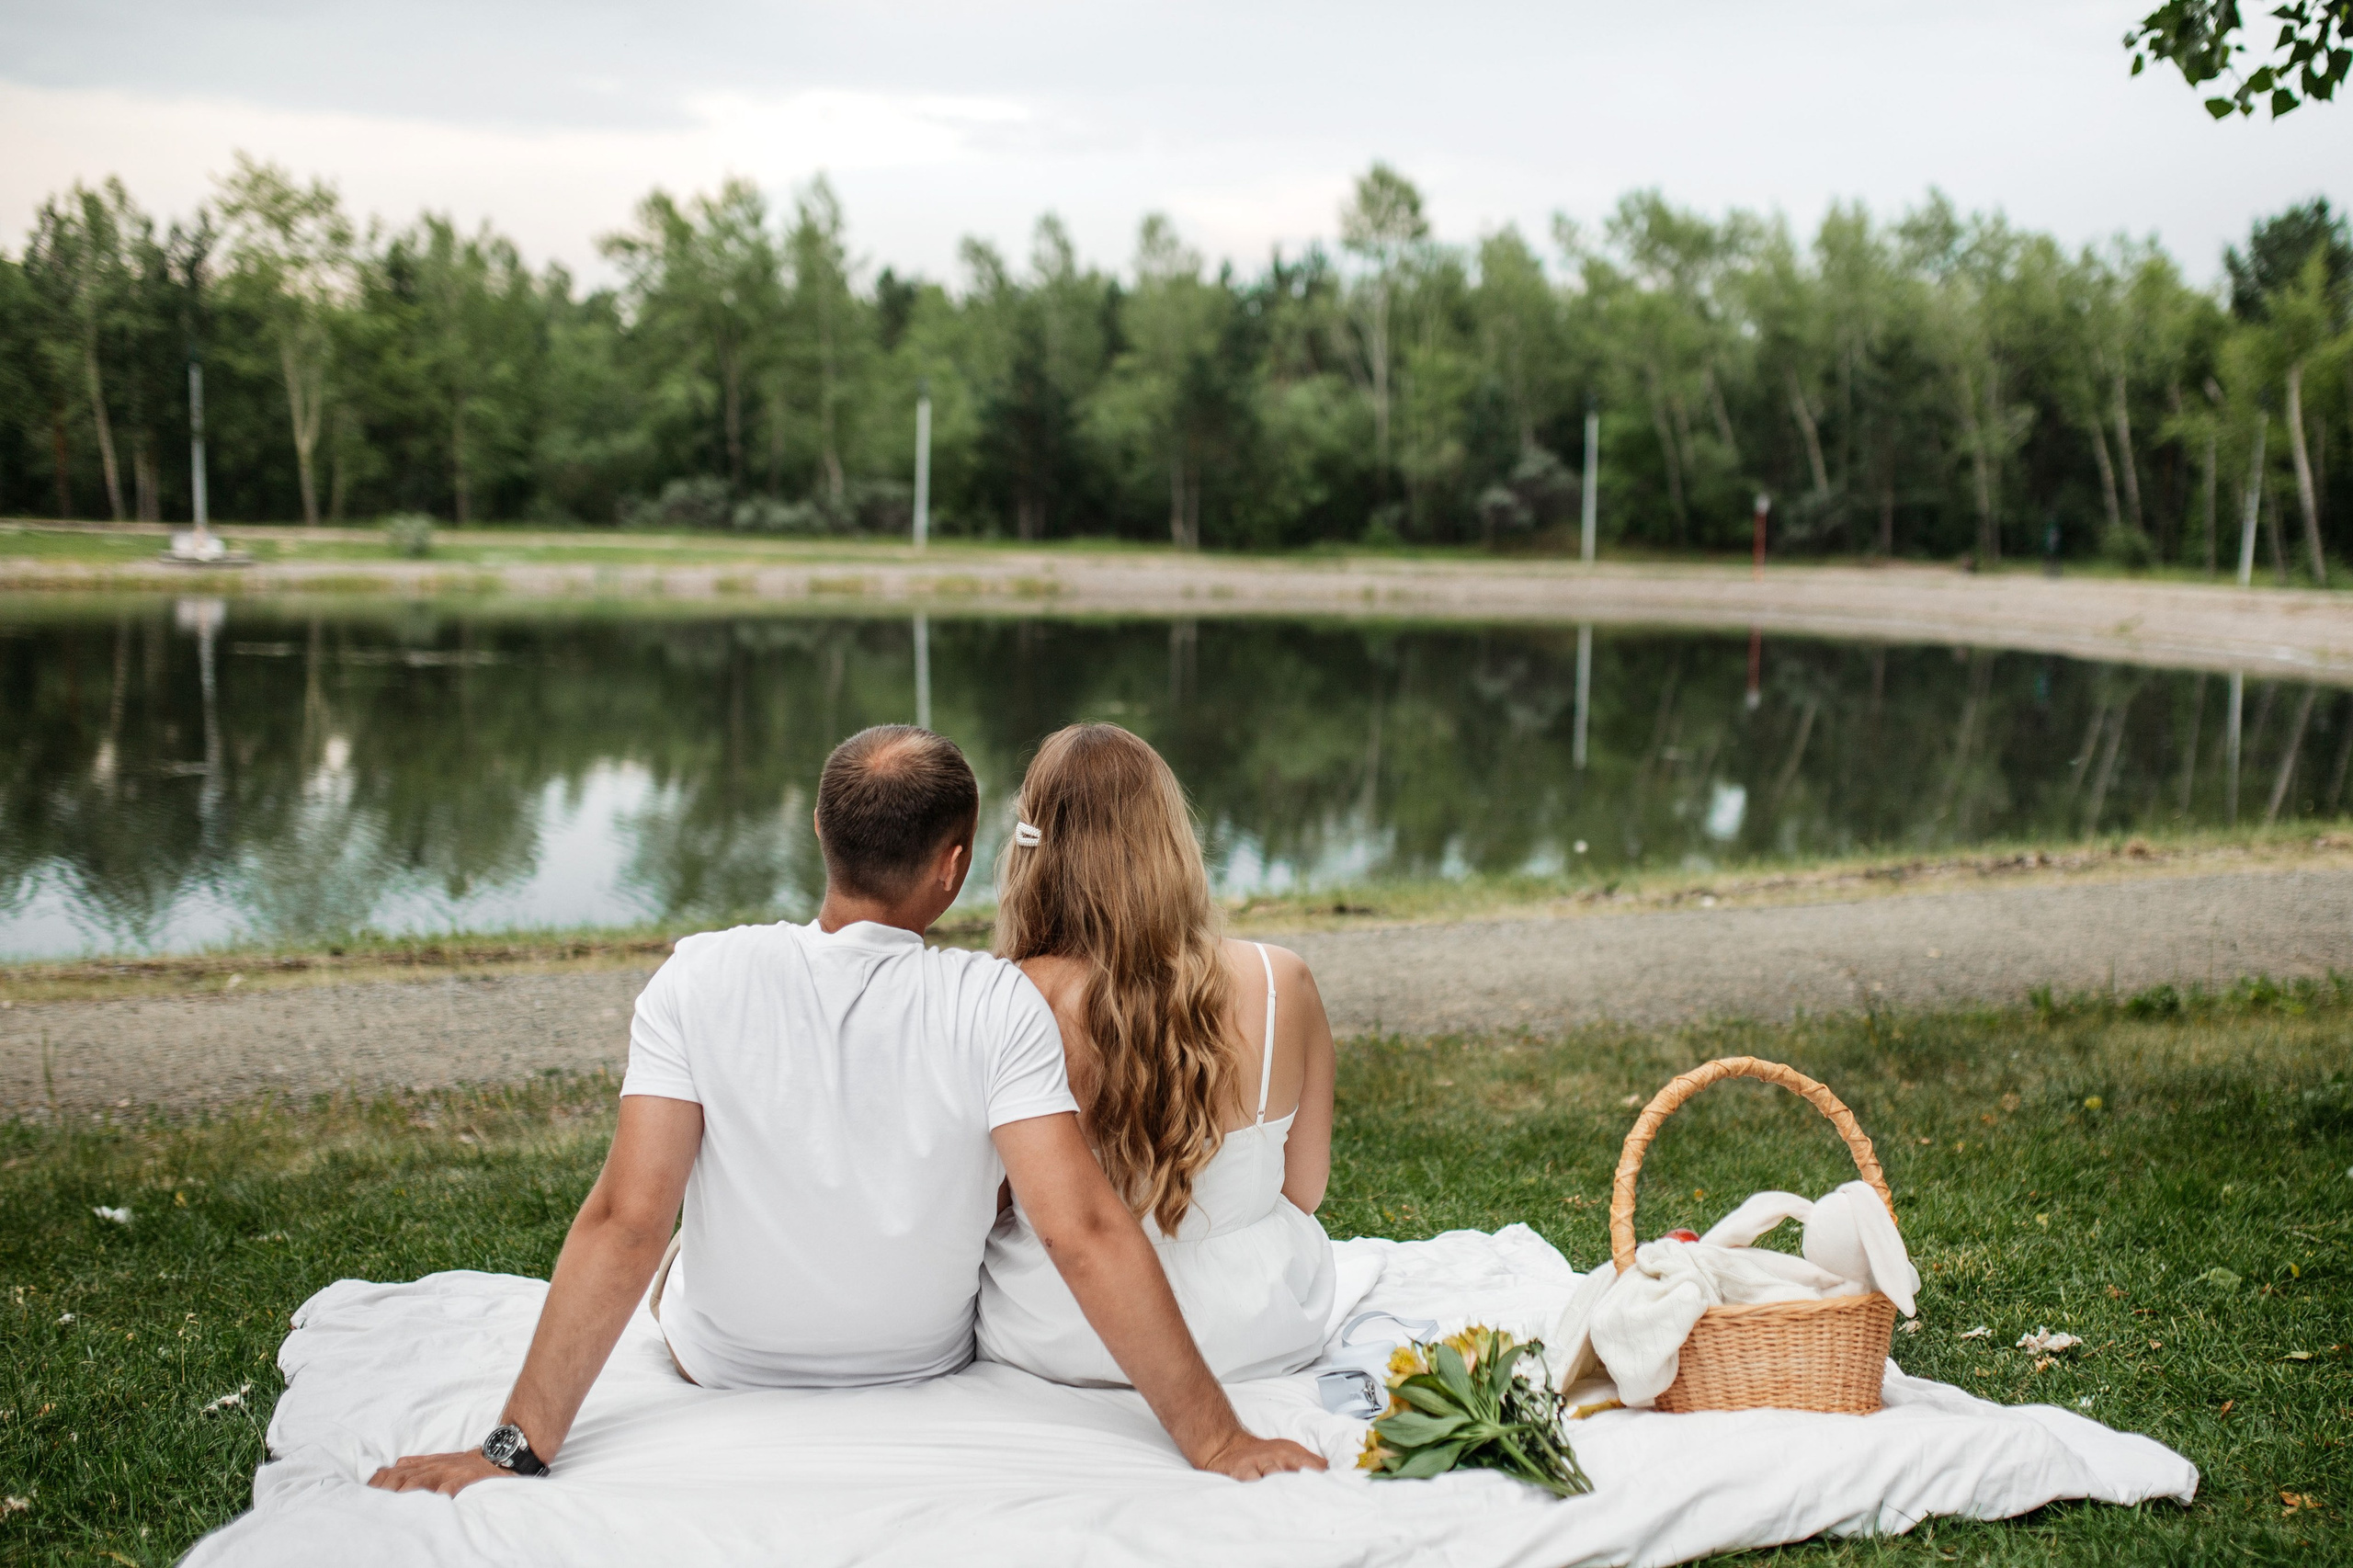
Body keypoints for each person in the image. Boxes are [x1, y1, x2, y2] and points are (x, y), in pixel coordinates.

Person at [369, 725, 1324, 1495]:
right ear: (952, 868)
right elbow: (1081, 1228)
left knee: (665, 1237)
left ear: (820, 833)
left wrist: (510, 1446)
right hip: (921, 1356)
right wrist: (1215, 1436)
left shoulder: (698, 973)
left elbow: (625, 1218)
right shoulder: (989, 1002)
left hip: (722, 1357)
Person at [977, 723, 1338, 1386]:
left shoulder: (1000, 998)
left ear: (1033, 849)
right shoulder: (1282, 980)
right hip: (1251, 1328)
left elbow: (989, 1205)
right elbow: (1305, 1191)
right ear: (1171, 837)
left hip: (1058, 1328)